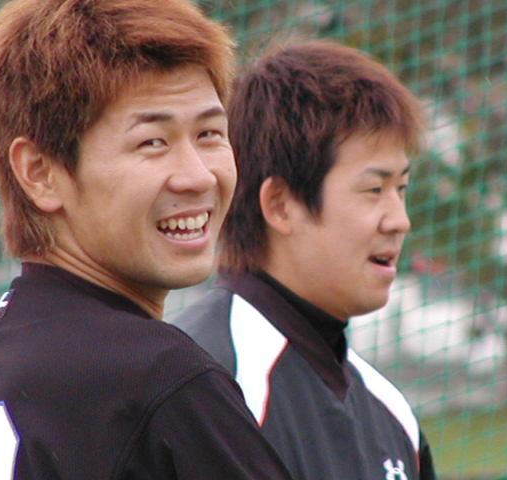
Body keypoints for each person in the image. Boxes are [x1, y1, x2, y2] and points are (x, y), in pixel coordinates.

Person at [0, 1, 295, 479]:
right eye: (152, 142)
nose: (198, 176)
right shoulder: (161, 379)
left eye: (210, 133)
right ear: (40, 172)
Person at [175, 40, 437, 480]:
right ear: (280, 205)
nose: (399, 220)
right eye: (374, 189)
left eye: (402, 189)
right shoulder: (202, 386)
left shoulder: (392, 415)